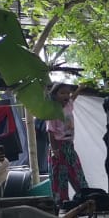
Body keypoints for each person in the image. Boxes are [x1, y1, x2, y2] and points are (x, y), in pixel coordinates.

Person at [45, 81, 88, 209]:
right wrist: (54, 150)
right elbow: (51, 132)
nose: (66, 95)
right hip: (58, 146)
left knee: (77, 172)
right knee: (59, 176)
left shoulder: (68, 105)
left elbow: (73, 98)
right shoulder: (53, 111)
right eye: (62, 92)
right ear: (55, 95)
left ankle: (85, 197)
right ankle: (61, 203)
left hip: (69, 146)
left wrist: (79, 89)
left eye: (67, 93)